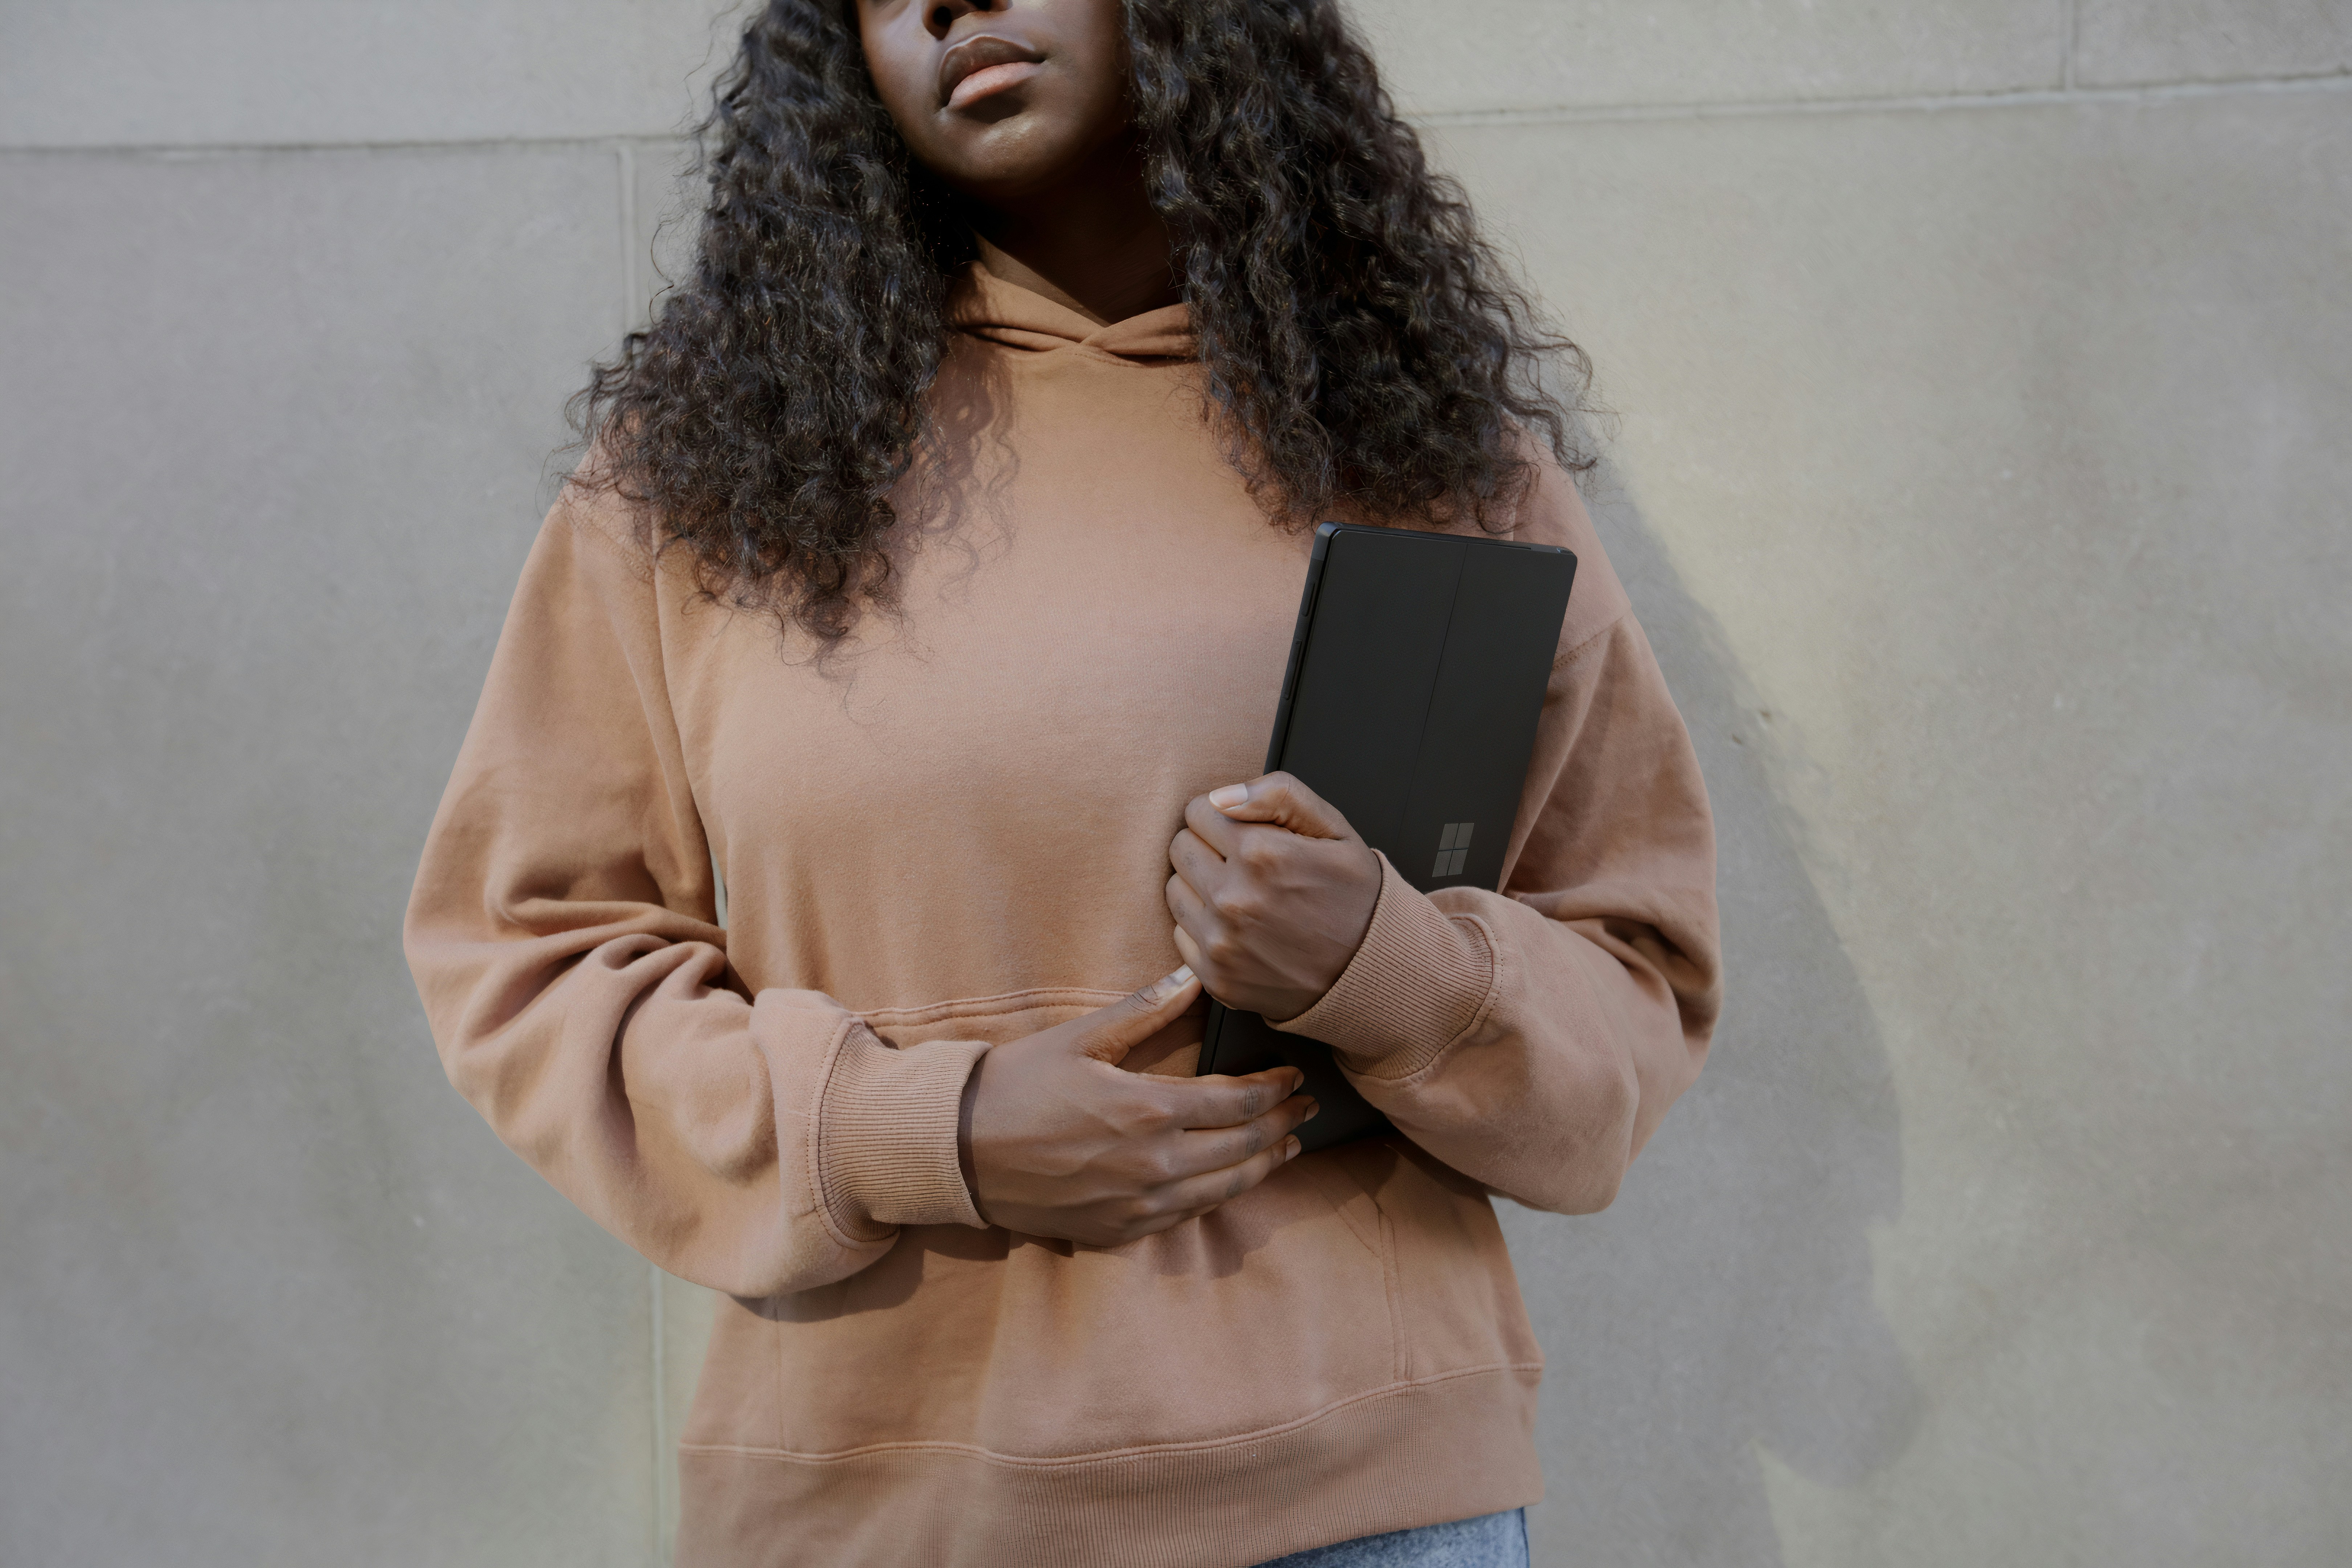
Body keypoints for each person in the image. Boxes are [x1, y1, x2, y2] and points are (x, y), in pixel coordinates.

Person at [403, 0, 1723, 1563]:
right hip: (881, 1505)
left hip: (1361, 1502)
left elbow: (1639, 972)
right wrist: (924, 1129)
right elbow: (527, 956)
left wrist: (1389, 963)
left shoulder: (1426, 445)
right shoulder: (707, 475)